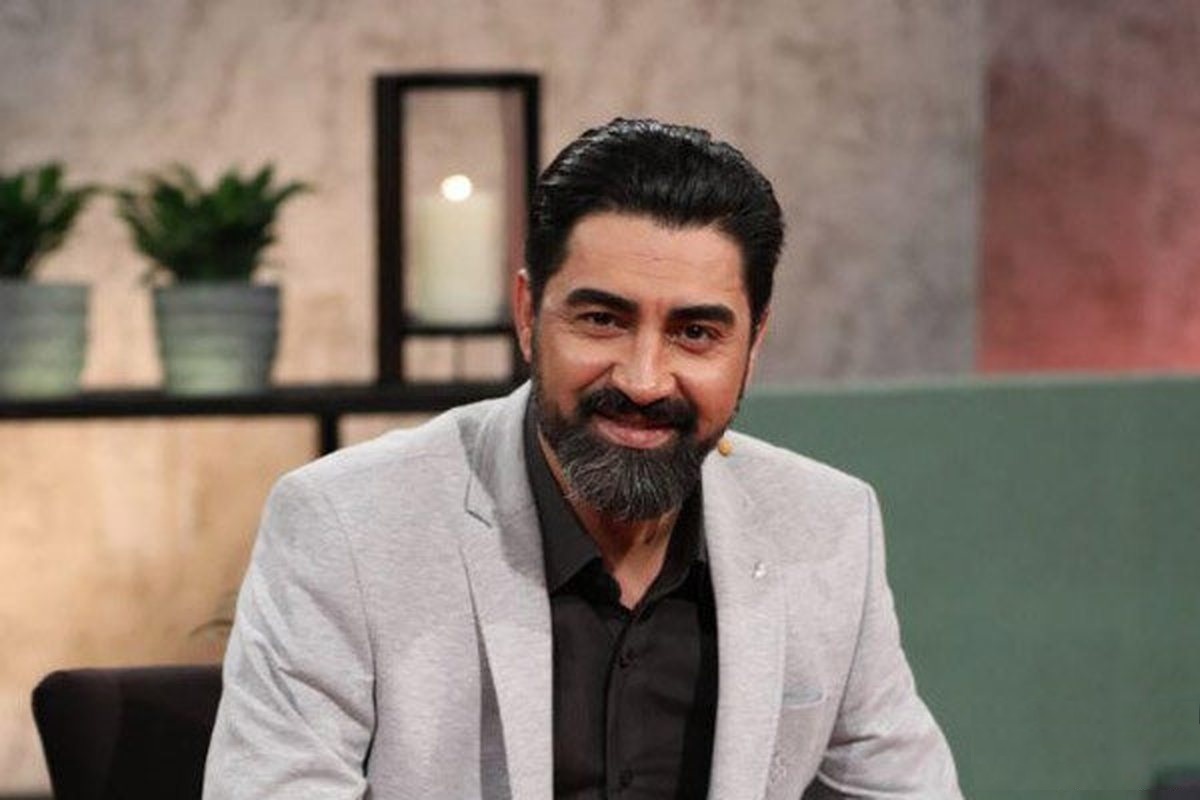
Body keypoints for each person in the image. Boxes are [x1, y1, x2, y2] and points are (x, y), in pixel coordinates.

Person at [203, 118, 961, 799]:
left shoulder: (827, 526)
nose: (643, 379)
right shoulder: (347, 524)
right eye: (602, 319)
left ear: (752, 345)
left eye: (696, 333)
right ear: (529, 316)